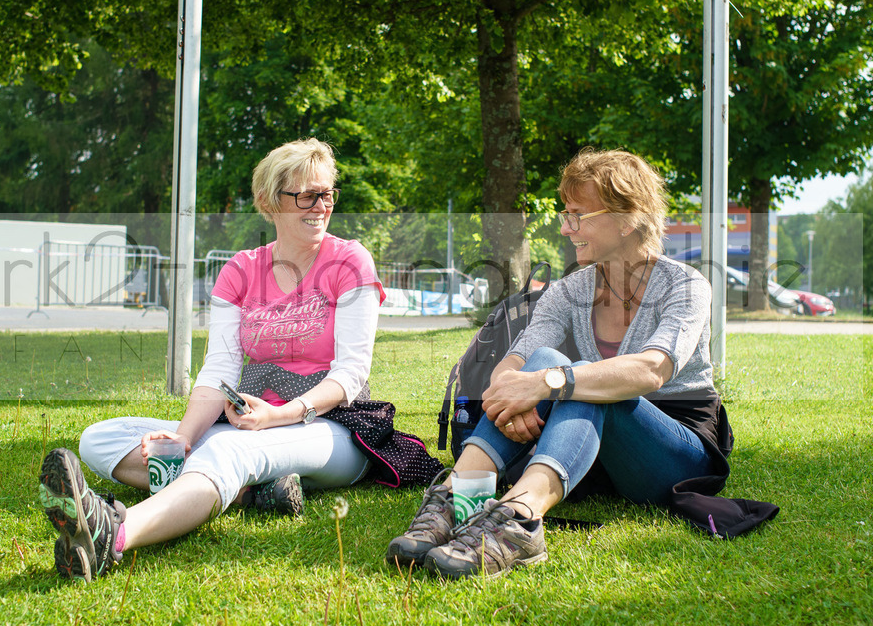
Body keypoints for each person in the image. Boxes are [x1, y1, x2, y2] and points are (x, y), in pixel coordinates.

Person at [39, 138, 387, 582]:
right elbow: (220, 367)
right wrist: (182, 438)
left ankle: (115, 534)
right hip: (248, 423)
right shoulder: (241, 269)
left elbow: (352, 373)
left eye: (326, 194)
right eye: (304, 195)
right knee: (100, 438)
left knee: (226, 449)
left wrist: (279, 415)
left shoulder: (350, 260)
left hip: (334, 426)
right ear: (268, 202)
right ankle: (249, 495)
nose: (319, 206)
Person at [387, 148, 730, 579]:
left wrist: (548, 382)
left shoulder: (684, 284)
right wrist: (512, 397)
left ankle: (520, 517)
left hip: (673, 451)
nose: (566, 228)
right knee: (553, 362)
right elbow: (514, 361)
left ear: (628, 217)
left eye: (577, 215)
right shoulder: (570, 288)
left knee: (577, 374)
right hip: (598, 455)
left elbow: (650, 370)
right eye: (565, 214)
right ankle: (460, 498)